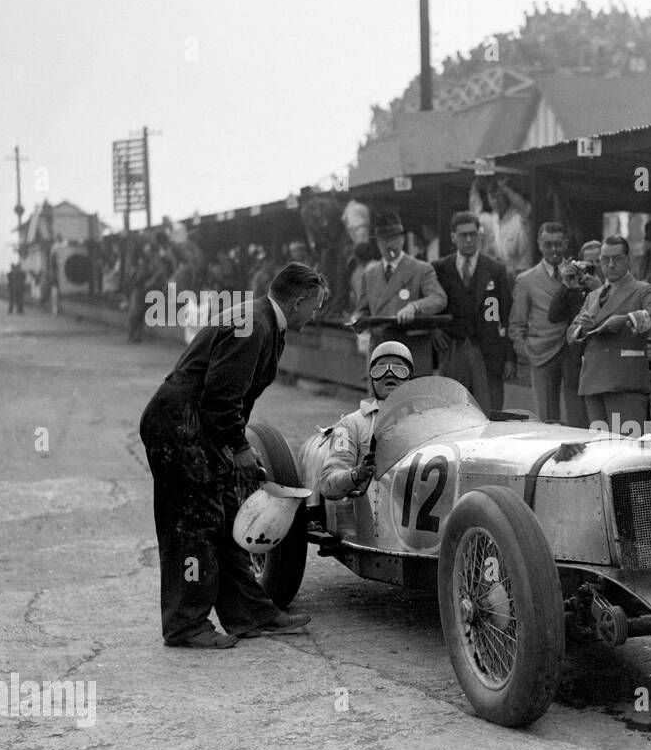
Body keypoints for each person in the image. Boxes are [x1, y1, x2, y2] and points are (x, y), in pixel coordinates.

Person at [138, 263, 328, 648]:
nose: (316, 314)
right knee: (194, 525)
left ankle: (250, 613)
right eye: (316, 306)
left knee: (224, 517)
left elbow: (232, 398)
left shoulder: (264, 322)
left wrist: (234, 447)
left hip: (196, 424)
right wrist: (239, 448)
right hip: (178, 426)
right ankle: (185, 625)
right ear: (299, 300)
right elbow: (222, 397)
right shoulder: (254, 325)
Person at [567, 235, 651, 430]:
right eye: (605, 259)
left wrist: (626, 320)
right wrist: (583, 327)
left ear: (629, 260)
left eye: (617, 258)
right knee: (601, 451)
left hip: (624, 383)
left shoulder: (641, 290)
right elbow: (571, 333)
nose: (611, 264)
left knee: (626, 450)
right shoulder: (593, 296)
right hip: (593, 381)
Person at [433, 211, 514, 412]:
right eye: (463, 235)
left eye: (473, 234)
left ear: (479, 235)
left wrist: (510, 356)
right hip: (454, 350)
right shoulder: (439, 269)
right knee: (453, 409)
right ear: (453, 237)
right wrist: (435, 328)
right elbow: (432, 304)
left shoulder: (496, 270)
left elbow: (506, 316)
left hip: (489, 351)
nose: (469, 240)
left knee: (489, 411)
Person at [319, 340, 413, 500]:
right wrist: (358, 473)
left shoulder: (426, 418)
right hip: (370, 512)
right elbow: (328, 483)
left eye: (399, 368)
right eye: (380, 368)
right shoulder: (351, 424)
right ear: (371, 378)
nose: (389, 373)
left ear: (410, 377)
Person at [511, 222, 577, 422]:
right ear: (539, 244)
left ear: (566, 244)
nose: (554, 250)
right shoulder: (526, 280)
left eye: (558, 244)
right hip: (542, 354)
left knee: (578, 414)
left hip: (574, 351)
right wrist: (527, 350)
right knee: (547, 417)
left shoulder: (579, 274)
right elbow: (517, 323)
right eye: (548, 245)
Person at [351, 211, 448, 335]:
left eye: (393, 238)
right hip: (381, 346)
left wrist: (414, 307)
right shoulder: (369, 275)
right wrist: (356, 319)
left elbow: (439, 299)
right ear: (378, 242)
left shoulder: (421, 269)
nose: (389, 244)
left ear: (402, 239)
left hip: (411, 345)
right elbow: (362, 310)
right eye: (384, 240)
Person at [547, 239, 601, 427]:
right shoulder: (574, 288)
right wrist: (566, 285)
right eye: (588, 264)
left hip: (602, 365)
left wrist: (598, 289)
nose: (593, 268)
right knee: (577, 422)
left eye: (597, 262)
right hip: (575, 363)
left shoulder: (611, 288)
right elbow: (553, 316)